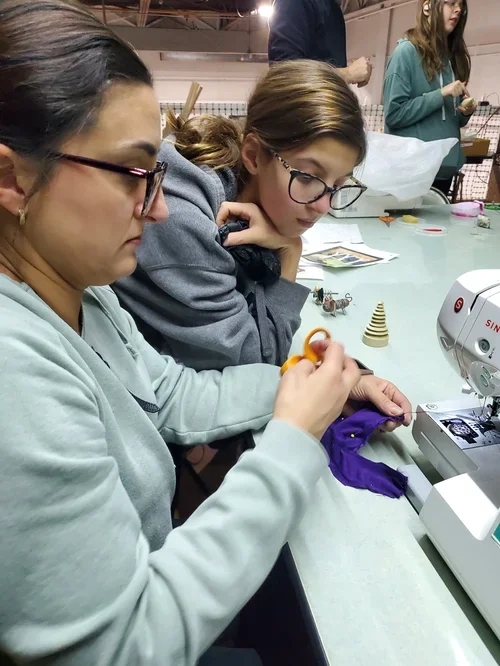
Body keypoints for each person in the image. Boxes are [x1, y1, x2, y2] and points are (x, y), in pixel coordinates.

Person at [0, 1, 411, 665]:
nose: (160, 210)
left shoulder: (82, 291)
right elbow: (122, 645)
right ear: (11, 180)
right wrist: (290, 444)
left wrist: (318, 383)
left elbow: (170, 391)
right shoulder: (13, 375)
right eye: (134, 175)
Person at [114, 60, 368, 371]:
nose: (323, 206)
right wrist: (291, 251)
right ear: (252, 155)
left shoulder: (247, 195)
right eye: (307, 177)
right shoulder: (183, 220)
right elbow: (258, 362)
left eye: (337, 186)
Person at [383, 0, 476, 196]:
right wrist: (440, 93)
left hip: (444, 171)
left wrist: (465, 112)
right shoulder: (406, 52)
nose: (458, 10)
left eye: (460, 5)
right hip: (411, 172)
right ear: (427, 7)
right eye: (450, 2)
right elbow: (394, 114)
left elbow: (451, 119)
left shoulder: (452, 59)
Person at [268, 0, 372, 88]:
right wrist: (347, 74)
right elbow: (284, 76)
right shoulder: (295, 3)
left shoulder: (333, 8)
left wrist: (347, 73)